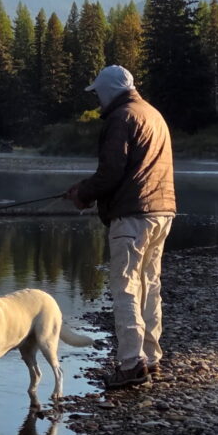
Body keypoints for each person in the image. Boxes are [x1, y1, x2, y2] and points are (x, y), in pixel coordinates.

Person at [65, 65, 175, 389]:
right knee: (150, 284)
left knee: (125, 285)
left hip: (132, 216)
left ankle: (130, 364)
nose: (97, 99)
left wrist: (83, 194)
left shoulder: (121, 118)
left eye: (98, 93)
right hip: (163, 211)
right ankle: (151, 358)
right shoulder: (153, 114)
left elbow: (112, 171)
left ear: (110, 90)